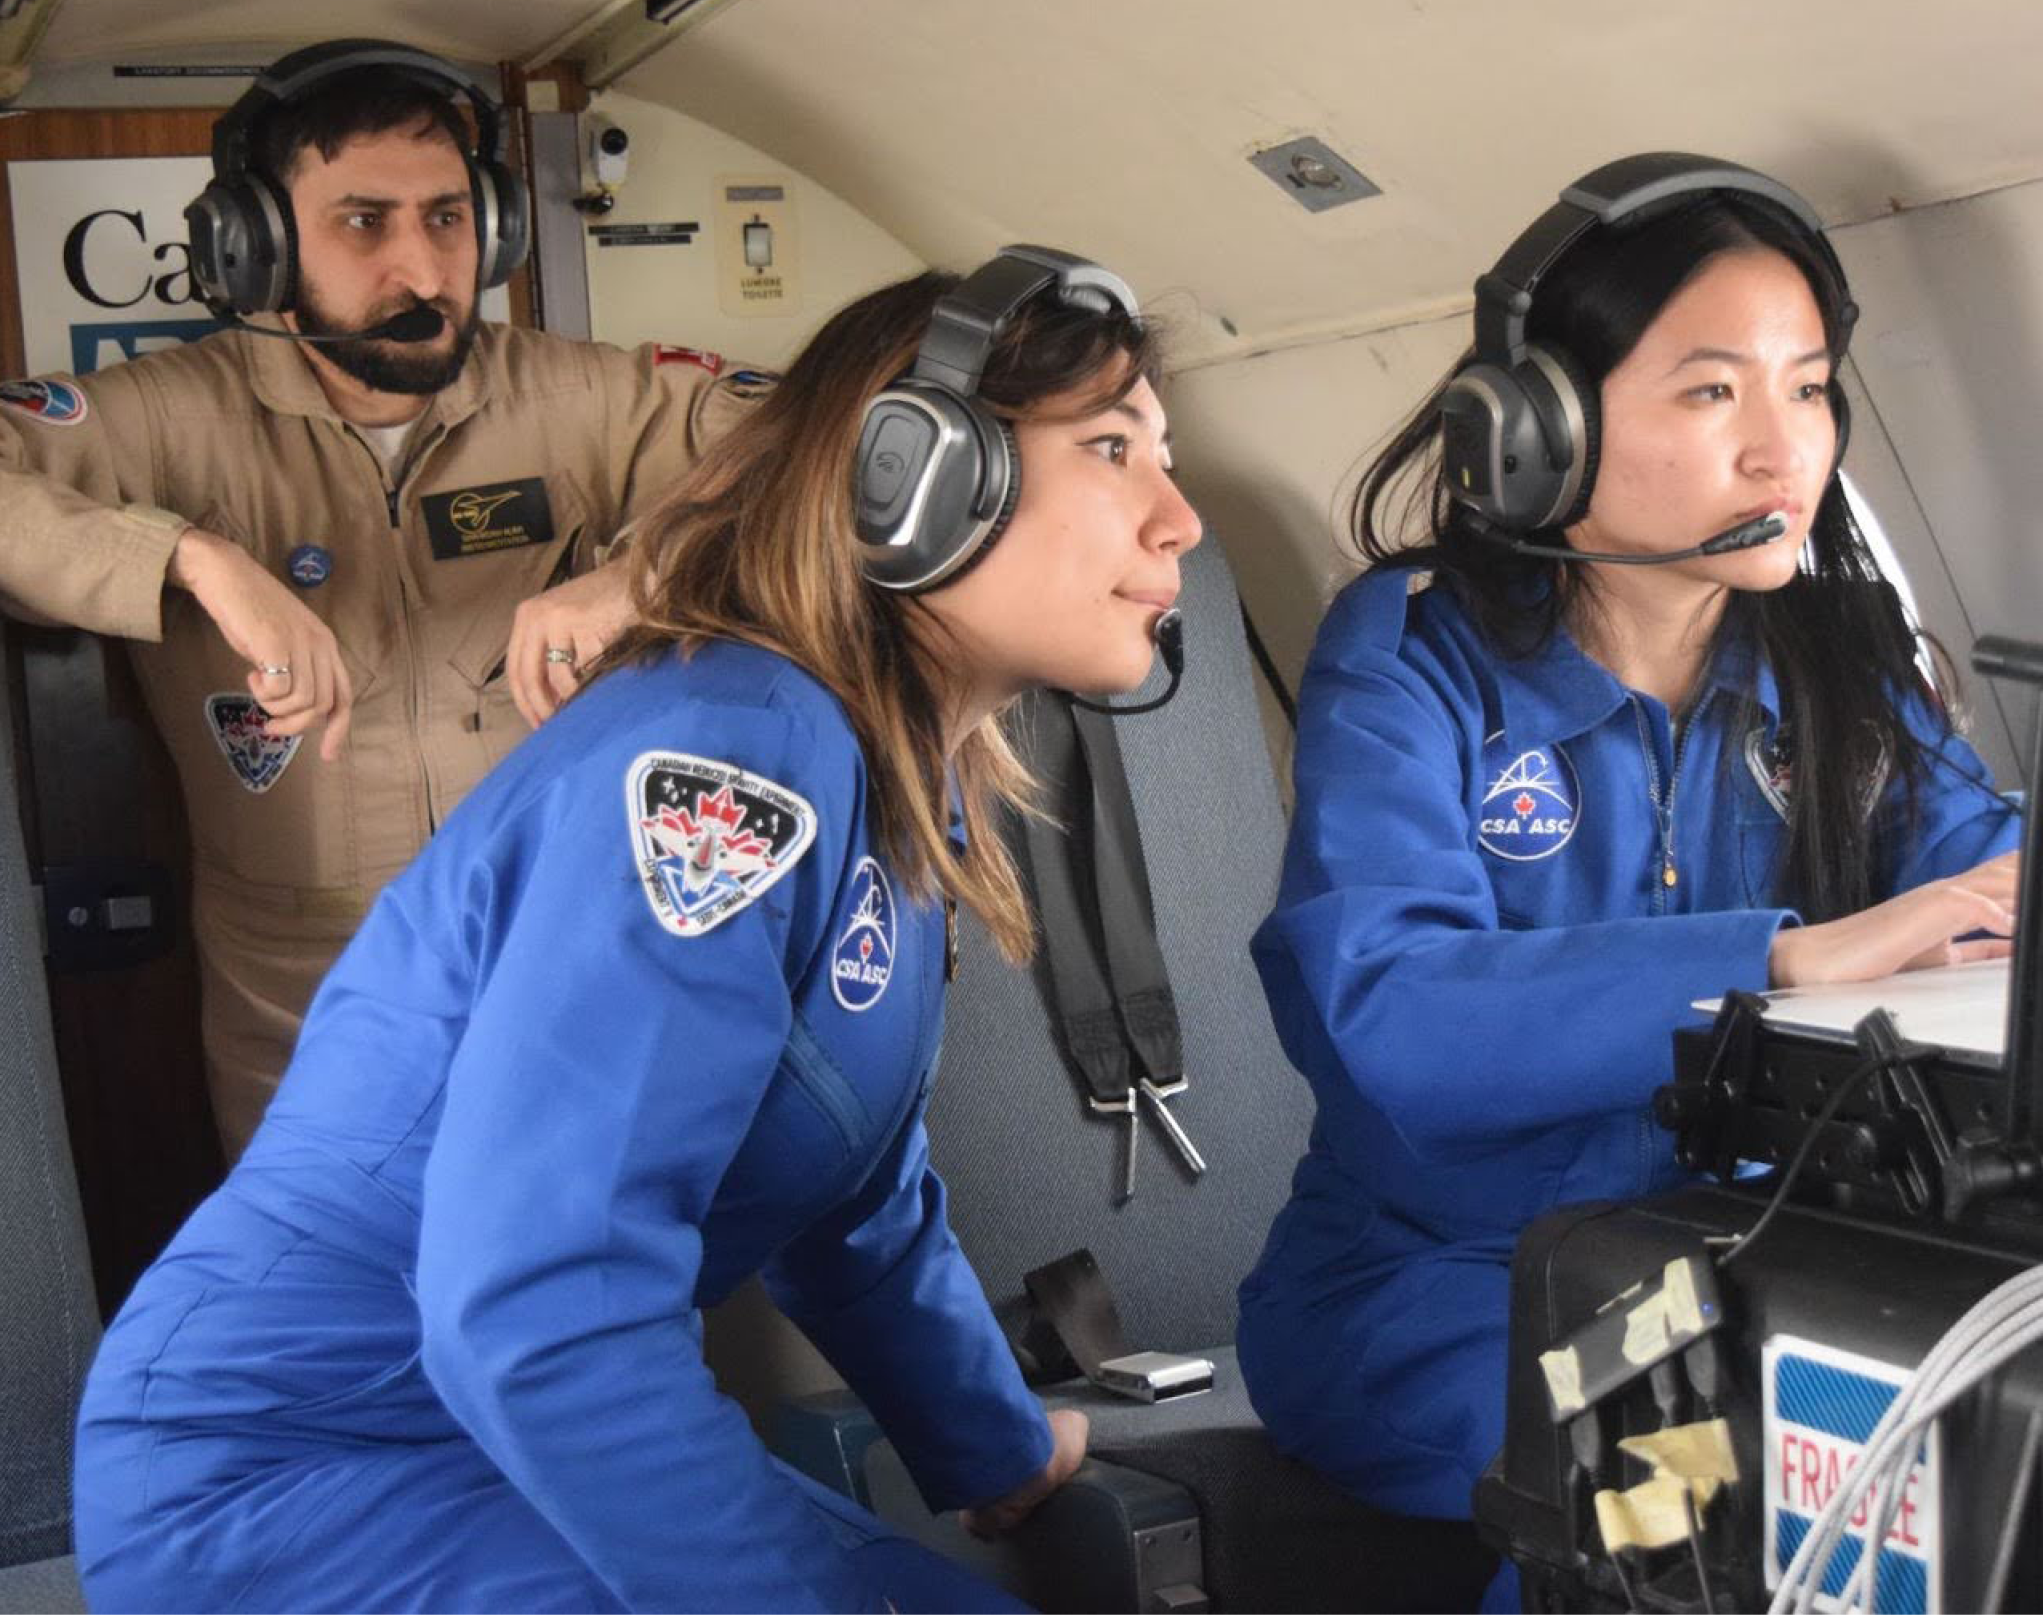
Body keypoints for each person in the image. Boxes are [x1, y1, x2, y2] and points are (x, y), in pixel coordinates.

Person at [71, 247, 1203, 1611]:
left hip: (501, 1431)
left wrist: (997, 1449)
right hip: (301, 1464)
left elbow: (851, 1196)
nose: (1179, 517)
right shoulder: (731, 757)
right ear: (917, 481)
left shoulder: (883, 771)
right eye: (1113, 449)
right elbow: (541, 1301)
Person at [1234, 155, 2020, 1607]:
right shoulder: (1412, 654)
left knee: (2009, 1448)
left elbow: (1992, 882)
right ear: (1535, 430)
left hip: (1744, 1271)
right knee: (1680, 1488)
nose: (1788, 450)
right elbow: (1392, 1011)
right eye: (1715, 391)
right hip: (1447, 1286)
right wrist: (1787, 957)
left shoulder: (1837, 664)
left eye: (1811, 386)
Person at [0, 40, 770, 1156]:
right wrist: (188, 558)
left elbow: (829, 446)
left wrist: (635, 579)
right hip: (306, 1008)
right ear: (254, 247)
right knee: (339, 1317)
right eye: (364, 223)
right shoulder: (166, 417)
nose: (422, 270)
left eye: (450, 219)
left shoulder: (586, 396)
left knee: (593, 1297)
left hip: (571, 962)